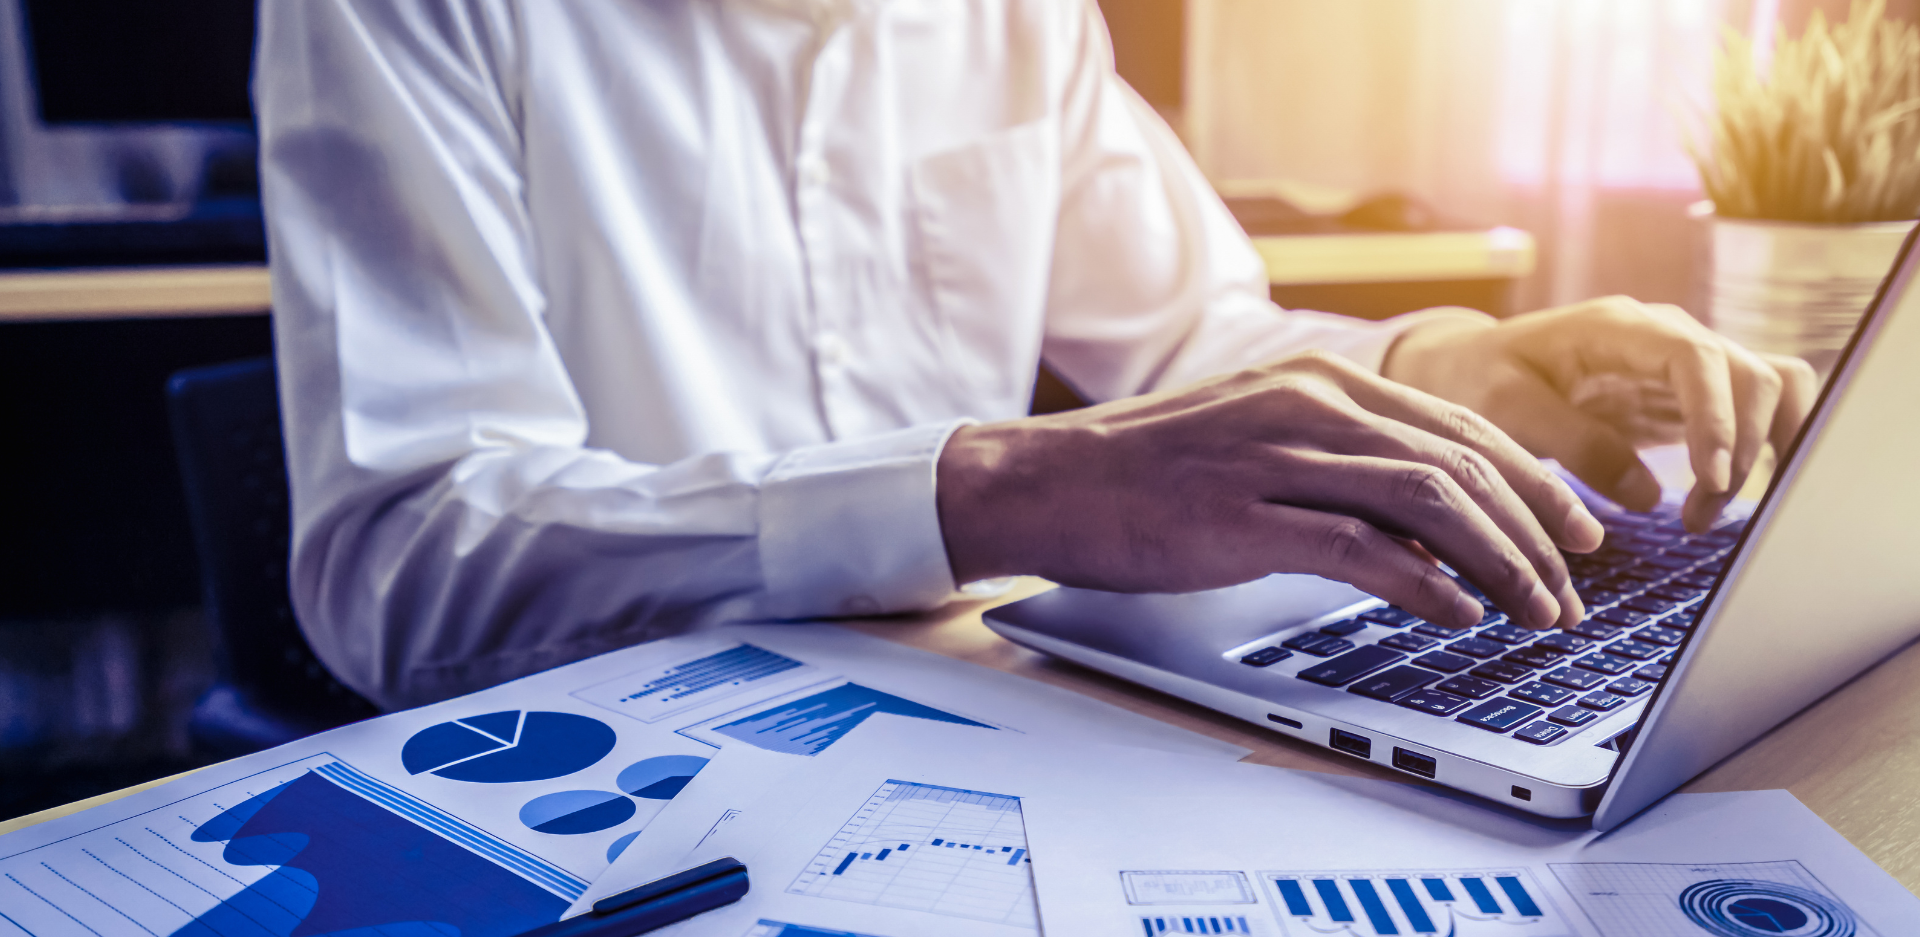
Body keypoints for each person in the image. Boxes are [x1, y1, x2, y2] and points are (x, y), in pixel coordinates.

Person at [256, 0, 1815, 710]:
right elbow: (400, 560)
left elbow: (1207, 345)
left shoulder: (1019, 19)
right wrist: (990, 489)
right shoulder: (410, 13)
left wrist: (1462, 362)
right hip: (610, 766)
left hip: (984, 721)